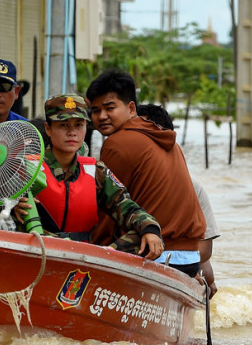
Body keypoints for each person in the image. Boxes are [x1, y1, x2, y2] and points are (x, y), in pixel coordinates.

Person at [86, 71, 206, 278]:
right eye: (95, 110)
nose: (102, 116)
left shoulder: (117, 143)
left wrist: (89, 251)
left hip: (154, 251)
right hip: (191, 258)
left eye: (110, 108)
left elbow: (107, 212)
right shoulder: (168, 140)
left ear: (131, 108)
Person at [30, 94, 163, 259]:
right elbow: (3, 209)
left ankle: (107, 257)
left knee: (144, 234)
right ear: (48, 128)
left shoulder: (95, 171)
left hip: (85, 256)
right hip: (40, 250)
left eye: (79, 125)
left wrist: (150, 228)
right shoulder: (29, 168)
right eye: (63, 125)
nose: (72, 132)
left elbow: (127, 208)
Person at [136, 103, 221, 293]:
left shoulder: (193, 186)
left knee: (208, 280)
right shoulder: (124, 178)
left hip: (177, 260)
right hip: (144, 258)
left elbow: (204, 250)